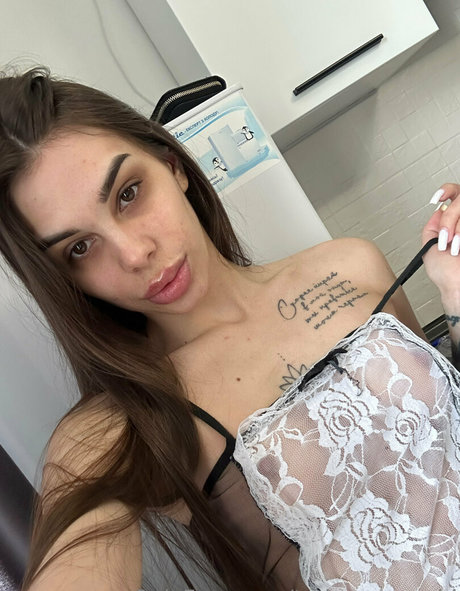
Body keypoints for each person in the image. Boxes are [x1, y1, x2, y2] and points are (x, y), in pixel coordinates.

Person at [1, 67, 460, 591]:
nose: (135, 254)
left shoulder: (352, 265)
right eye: (80, 248)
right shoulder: (124, 423)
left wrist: (455, 296)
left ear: (172, 166)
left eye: (128, 193)